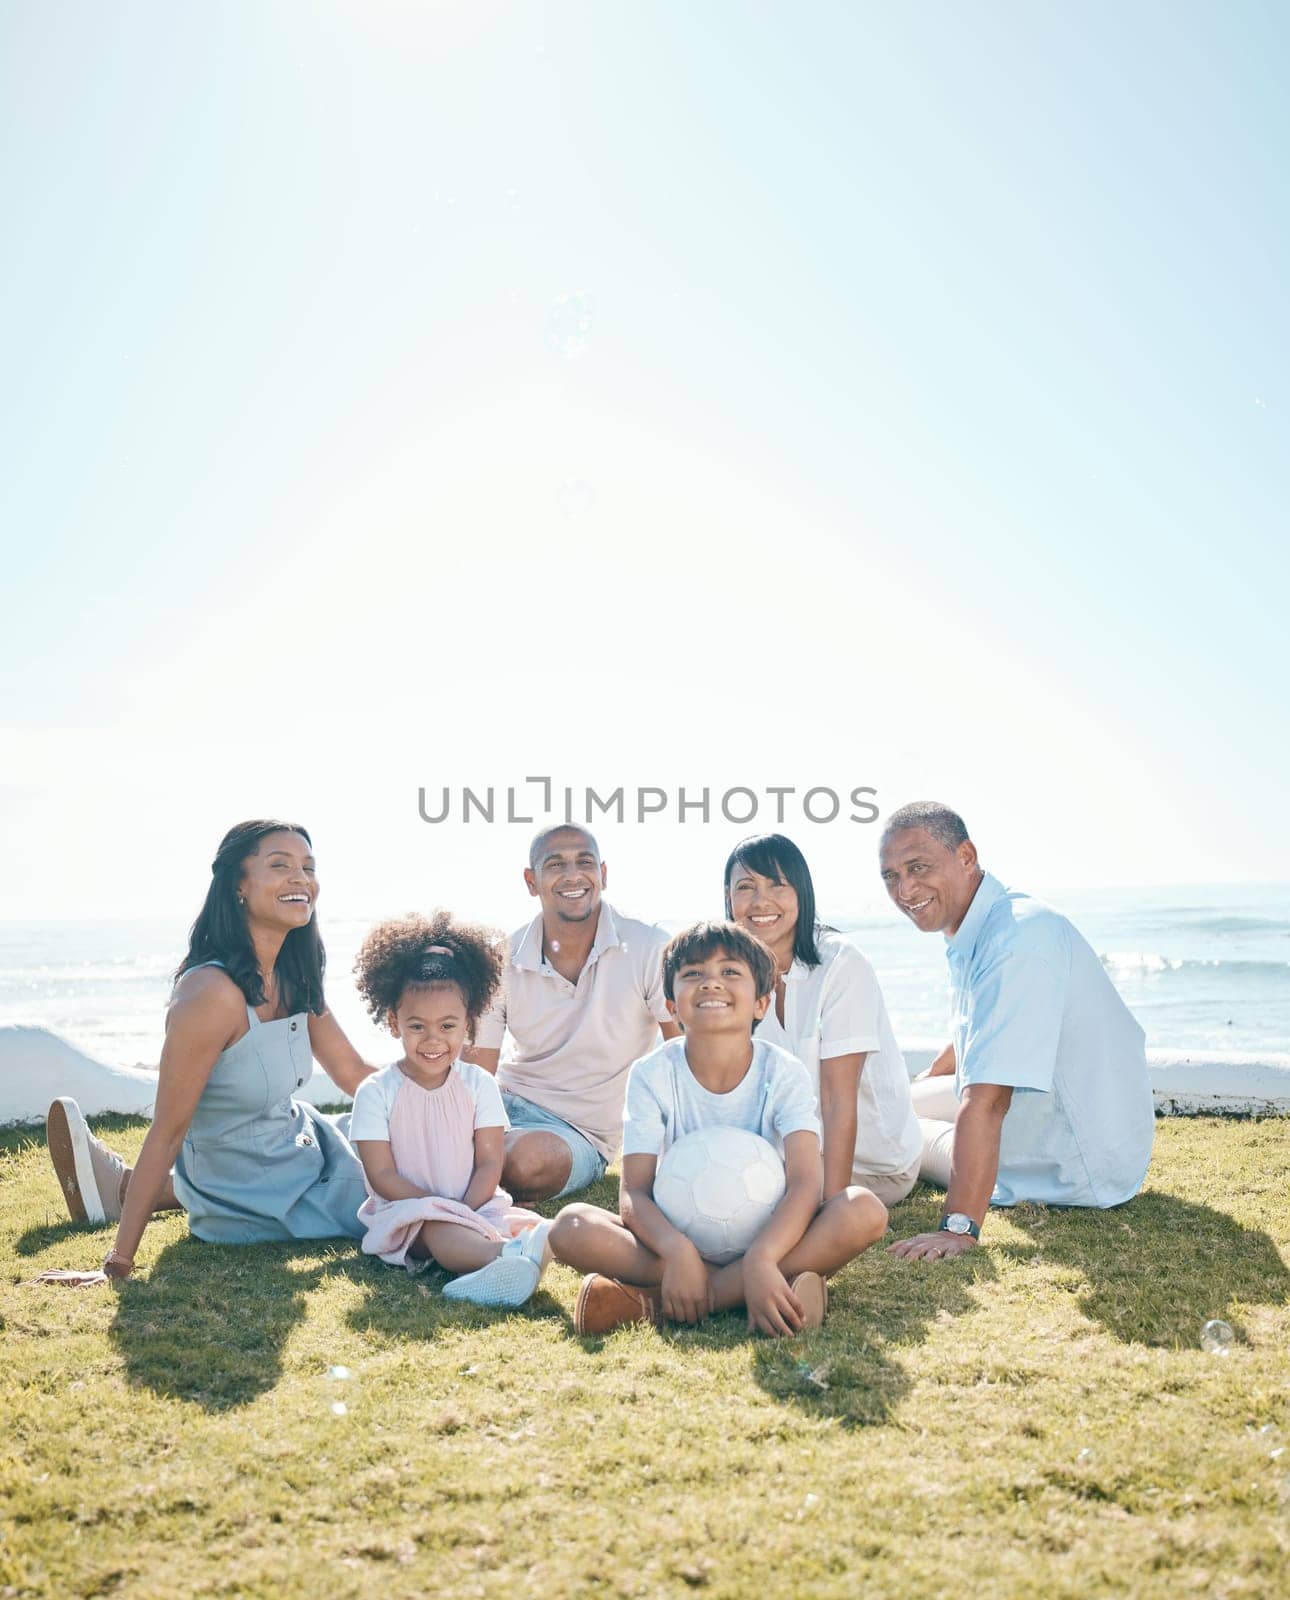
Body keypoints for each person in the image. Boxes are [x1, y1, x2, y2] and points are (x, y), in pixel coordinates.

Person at [43, 821, 375, 1284]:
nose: (301, 878)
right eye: (280, 865)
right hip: (252, 1189)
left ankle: (120, 1185)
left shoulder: (293, 973)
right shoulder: (211, 993)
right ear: (238, 885)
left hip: (300, 1143)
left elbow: (354, 1072)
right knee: (408, 1189)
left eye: (308, 867)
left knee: (395, 1140)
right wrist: (117, 1265)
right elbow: (168, 1130)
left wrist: (442, 1094)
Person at [549, 921, 889, 1336]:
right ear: (672, 1007)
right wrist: (677, 1252)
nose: (711, 983)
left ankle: (656, 1305)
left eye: (730, 972)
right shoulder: (652, 1074)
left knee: (863, 1210)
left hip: (775, 1237)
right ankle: (771, 1288)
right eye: (693, 974)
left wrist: (762, 1257)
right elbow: (634, 1191)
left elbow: (804, 1182)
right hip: (679, 1239)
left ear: (762, 1002)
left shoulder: (784, 1072)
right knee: (571, 1227)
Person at [878, 802, 1155, 1264]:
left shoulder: (1016, 942)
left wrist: (958, 1229)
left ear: (966, 857)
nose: (905, 889)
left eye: (918, 867)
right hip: (1062, 1119)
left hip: (1074, 1159)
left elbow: (989, 1099)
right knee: (891, 1104)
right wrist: (928, 1080)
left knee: (894, 1130)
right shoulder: (987, 920)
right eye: (890, 876)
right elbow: (979, 1024)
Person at [466, 825, 681, 1203]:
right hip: (505, 1106)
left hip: (579, 1134)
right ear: (531, 881)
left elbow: (683, 1051)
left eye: (585, 862)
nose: (572, 875)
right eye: (555, 864)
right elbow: (477, 1072)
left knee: (525, 1161)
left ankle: (470, 1172)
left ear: (603, 874)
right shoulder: (502, 956)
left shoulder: (648, 946)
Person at [349, 912, 552, 1308]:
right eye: (417, 1026)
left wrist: (466, 1208)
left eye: (447, 1026)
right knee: (440, 1232)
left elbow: (490, 1163)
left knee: (527, 1225)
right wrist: (442, 1210)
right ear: (394, 1023)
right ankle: (507, 1259)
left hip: (476, 1202)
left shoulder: (479, 1085)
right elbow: (383, 1175)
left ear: (468, 1025)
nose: (433, 1040)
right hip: (409, 1213)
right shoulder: (376, 1092)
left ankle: (521, 1253)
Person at [725, 832, 922, 1207]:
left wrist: (833, 1208)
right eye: (746, 887)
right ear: (729, 897)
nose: (760, 901)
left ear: (801, 891)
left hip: (872, 1164)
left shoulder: (840, 963)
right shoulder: (734, 972)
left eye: (777, 885)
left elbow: (836, 1098)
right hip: (789, 1154)